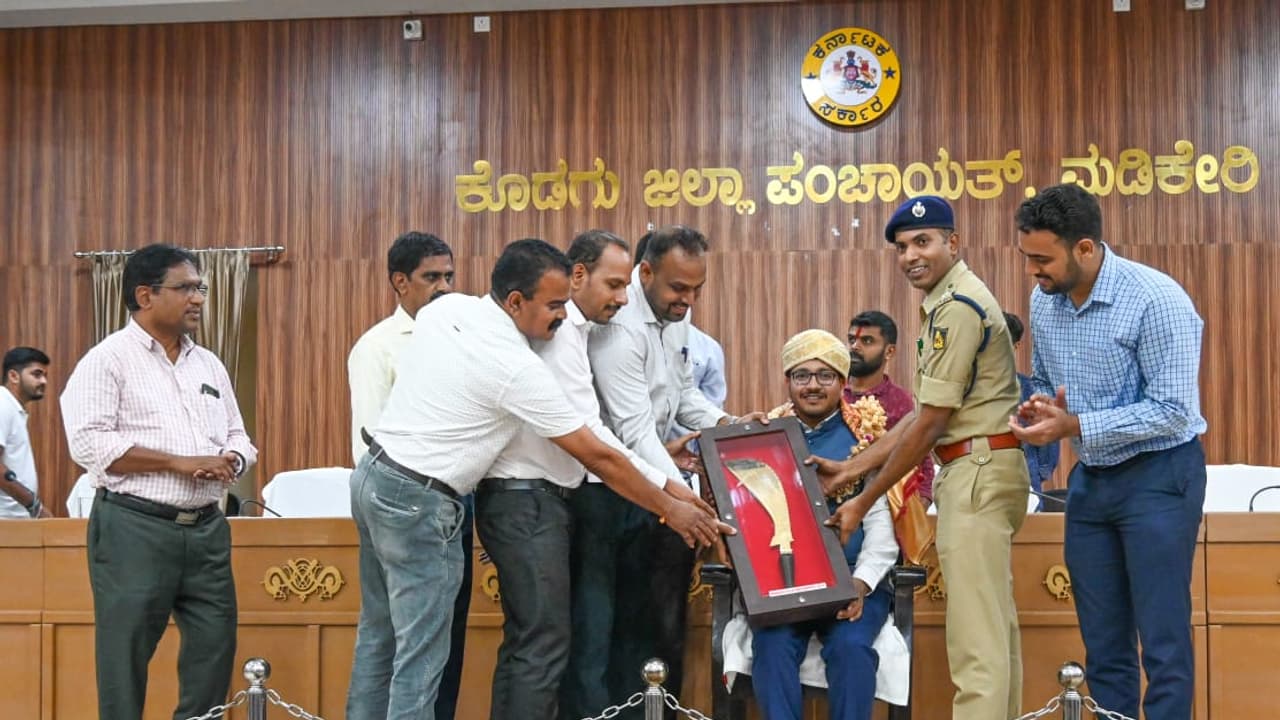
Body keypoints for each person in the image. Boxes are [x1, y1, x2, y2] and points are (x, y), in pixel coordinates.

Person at [345, 238, 727, 720]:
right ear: (514, 301)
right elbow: (597, 453)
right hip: (422, 501)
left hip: (375, 477)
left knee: (379, 639)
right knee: (421, 656)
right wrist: (671, 505)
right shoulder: (516, 368)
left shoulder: (449, 309)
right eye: (554, 305)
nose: (564, 316)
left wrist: (669, 487)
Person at [478, 230, 709, 720]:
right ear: (579, 275)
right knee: (560, 644)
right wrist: (673, 494)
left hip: (567, 496)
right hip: (540, 499)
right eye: (615, 285)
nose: (622, 299)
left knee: (576, 641)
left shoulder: (578, 330)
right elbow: (601, 441)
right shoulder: (561, 337)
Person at [818, 196, 1030, 719]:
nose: (910, 256)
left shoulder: (956, 308)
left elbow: (931, 423)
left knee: (975, 647)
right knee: (993, 633)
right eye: (902, 247)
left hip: (975, 469)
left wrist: (863, 498)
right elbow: (920, 415)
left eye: (923, 242)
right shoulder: (947, 301)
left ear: (952, 243)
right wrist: (850, 469)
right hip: (982, 466)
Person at [1010, 184, 1206, 720]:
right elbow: (1047, 380)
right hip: (1092, 480)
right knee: (1103, 643)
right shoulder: (1045, 300)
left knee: (1163, 640)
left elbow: (1173, 410)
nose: (1032, 271)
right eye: (1027, 257)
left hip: (1161, 478)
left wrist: (1074, 424)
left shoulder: (1156, 300)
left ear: (1085, 248)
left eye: (1042, 259)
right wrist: (1041, 408)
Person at [566, 225, 761, 720]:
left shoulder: (677, 314)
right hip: (607, 494)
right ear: (646, 272)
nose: (688, 300)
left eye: (697, 289)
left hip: (659, 493)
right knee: (603, 634)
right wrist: (681, 499)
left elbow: (683, 394)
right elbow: (634, 432)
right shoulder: (619, 324)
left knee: (657, 628)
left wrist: (729, 426)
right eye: (678, 288)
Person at [60, 243, 257, 720]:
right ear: (145, 295)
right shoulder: (107, 360)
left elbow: (240, 435)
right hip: (135, 528)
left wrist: (232, 459)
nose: (198, 298)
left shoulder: (208, 364)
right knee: (124, 657)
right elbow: (89, 444)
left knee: (214, 650)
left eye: (200, 288)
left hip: (207, 530)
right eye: (185, 288)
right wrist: (178, 463)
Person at [346, 231, 471, 720]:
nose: (444, 287)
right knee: (398, 638)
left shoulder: (460, 337)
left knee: (439, 635)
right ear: (400, 282)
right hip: (401, 499)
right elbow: (370, 439)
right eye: (431, 277)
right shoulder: (378, 346)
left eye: (449, 276)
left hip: (451, 499)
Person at [752, 329, 898, 720]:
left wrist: (860, 583)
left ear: (842, 381)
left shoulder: (867, 438)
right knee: (771, 647)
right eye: (802, 375)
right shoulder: (763, 438)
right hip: (784, 583)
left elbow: (881, 527)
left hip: (852, 581)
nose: (813, 385)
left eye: (825, 375)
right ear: (787, 381)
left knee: (851, 649)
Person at [1002, 311, 1060, 504]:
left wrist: (1037, 472)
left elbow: (1049, 438)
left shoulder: (1031, 390)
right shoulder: (970, 389)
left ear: (1015, 346)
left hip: (1025, 481)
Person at [0, 347, 52, 518]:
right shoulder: (2, 404)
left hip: (15, 519)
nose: (44, 381)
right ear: (13, 376)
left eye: (45, 375)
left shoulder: (13, 407)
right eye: (37, 374)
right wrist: (35, 507)